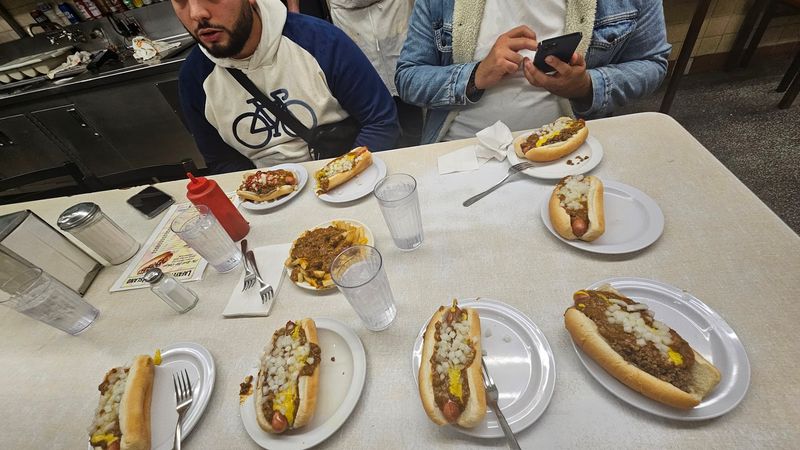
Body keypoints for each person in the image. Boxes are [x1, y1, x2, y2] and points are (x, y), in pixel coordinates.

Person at [395, 0, 671, 144]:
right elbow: (408, 78)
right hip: (462, 151)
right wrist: (475, 76)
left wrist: (588, 86)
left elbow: (652, 62)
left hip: (570, 148)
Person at [174, 0, 400, 173]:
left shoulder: (321, 41)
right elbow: (222, 161)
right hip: (270, 200)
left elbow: (381, 122)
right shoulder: (194, 77)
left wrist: (335, 177)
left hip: (352, 175)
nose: (196, 13)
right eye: (181, 1)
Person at [324, 0, 422, 146]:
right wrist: (294, 8)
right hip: (346, 12)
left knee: (409, 81)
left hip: (393, 8)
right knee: (365, 92)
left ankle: (418, 144)